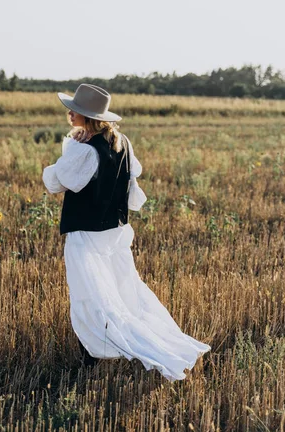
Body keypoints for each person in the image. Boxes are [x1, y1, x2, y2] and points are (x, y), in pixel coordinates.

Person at [42, 83, 211, 381]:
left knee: (89, 298)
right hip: (115, 231)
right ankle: (127, 349)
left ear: (87, 116)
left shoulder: (84, 149)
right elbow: (131, 187)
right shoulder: (123, 143)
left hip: (87, 233)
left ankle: (96, 361)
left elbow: (55, 181)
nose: (69, 114)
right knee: (121, 294)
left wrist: (72, 145)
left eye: (75, 111)